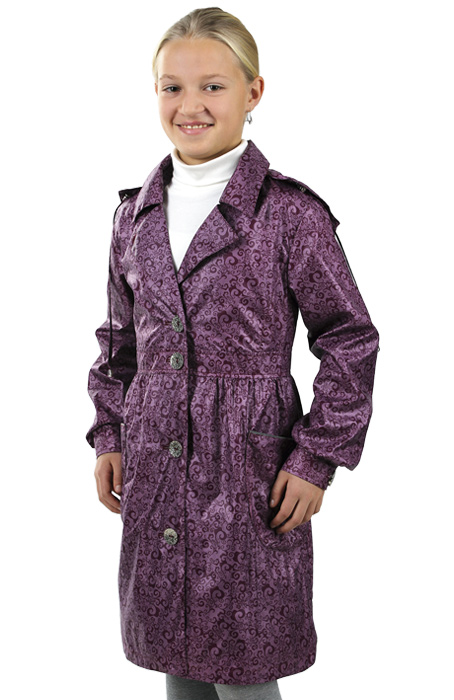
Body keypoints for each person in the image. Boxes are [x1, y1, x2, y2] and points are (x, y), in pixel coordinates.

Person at [86, 7, 380, 700]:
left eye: (212, 87)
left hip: (248, 471)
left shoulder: (289, 214)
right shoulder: (134, 215)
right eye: (172, 87)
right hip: (156, 462)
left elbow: (348, 337)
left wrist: (316, 457)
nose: (190, 105)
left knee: (244, 659)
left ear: (253, 92)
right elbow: (120, 340)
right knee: (177, 656)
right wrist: (110, 436)